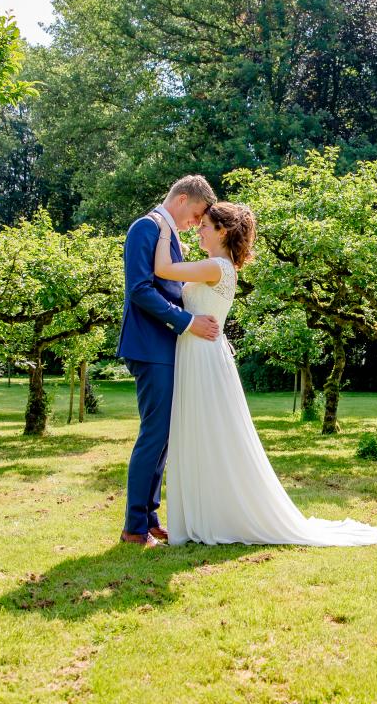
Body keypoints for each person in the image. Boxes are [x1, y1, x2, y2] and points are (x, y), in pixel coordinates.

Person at [148, 201, 377, 547]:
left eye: (205, 226)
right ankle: (207, 512)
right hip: (201, 350)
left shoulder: (216, 266)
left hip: (201, 353)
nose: (198, 229)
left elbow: (163, 268)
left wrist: (165, 226)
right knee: (206, 432)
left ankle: (212, 515)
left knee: (208, 431)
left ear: (222, 232)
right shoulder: (220, 266)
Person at [116, 175, 219, 548]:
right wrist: (188, 321)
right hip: (149, 346)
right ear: (182, 199)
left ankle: (150, 517)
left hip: (164, 346)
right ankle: (133, 528)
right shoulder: (146, 227)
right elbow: (140, 289)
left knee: (163, 437)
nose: (195, 224)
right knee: (154, 435)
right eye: (195, 214)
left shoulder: (166, 232)